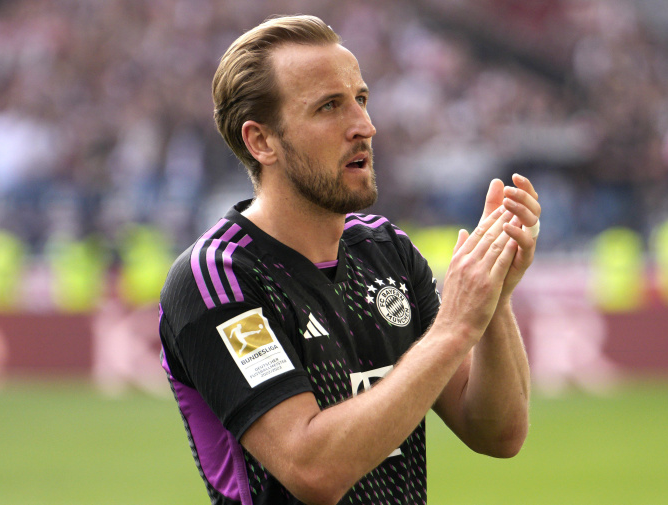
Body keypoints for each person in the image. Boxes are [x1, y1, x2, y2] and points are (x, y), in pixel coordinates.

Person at [158, 14, 541, 505]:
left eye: (360, 99)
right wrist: (454, 327)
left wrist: (495, 296)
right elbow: (312, 468)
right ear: (262, 141)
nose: (364, 126)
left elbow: (497, 433)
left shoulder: (388, 251)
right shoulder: (219, 277)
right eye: (328, 107)